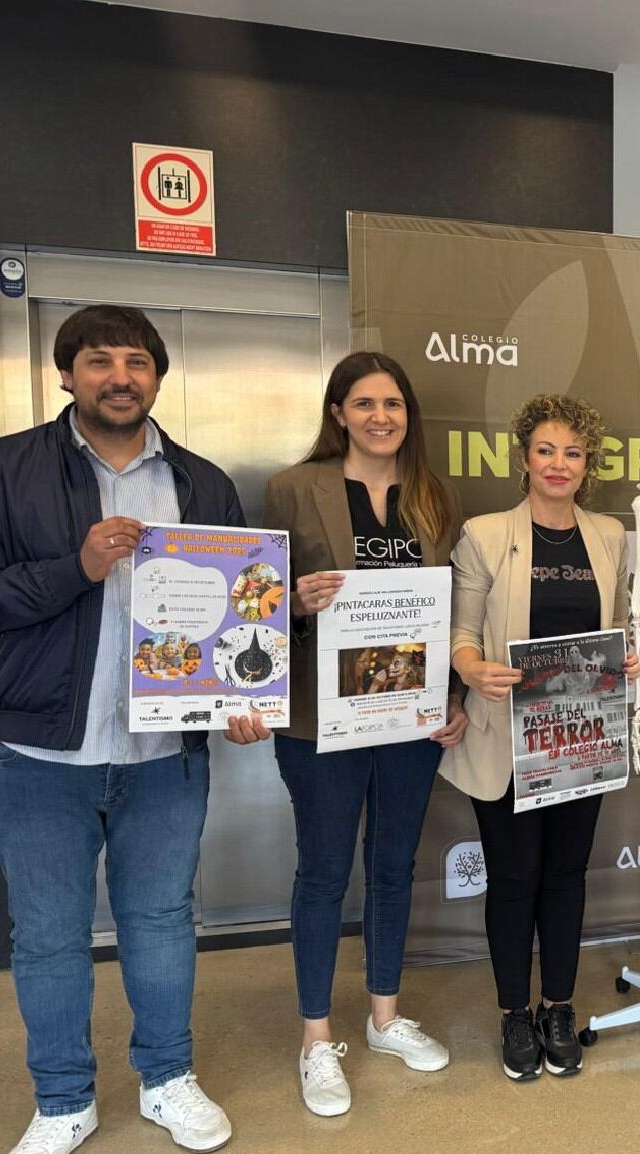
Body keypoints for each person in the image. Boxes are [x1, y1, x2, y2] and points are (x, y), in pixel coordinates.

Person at [0, 305, 271, 1154]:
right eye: (100, 361)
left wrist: (241, 702)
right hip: (36, 757)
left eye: (137, 362)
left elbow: (242, 610)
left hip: (164, 757)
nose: (120, 377)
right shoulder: (2, 468)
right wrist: (76, 567)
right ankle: (62, 1103)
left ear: (158, 380)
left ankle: (168, 1079)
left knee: (164, 923)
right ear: (67, 375)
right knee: (50, 939)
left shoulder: (205, 485)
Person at [262, 352, 468, 1115]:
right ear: (338, 412)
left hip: (409, 717)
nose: (381, 417)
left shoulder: (430, 498)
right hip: (322, 720)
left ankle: (384, 1016)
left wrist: (451, 695)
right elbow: (252, 603)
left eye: (394, 404)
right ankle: (317, 1040)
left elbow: (445, 610)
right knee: (321, 871)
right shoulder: (293, 488)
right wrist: (294, 601)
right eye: (365, 403)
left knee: (393, 864)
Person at [438, 394, 639, 1081]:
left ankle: (557, 1006)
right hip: (505, 738)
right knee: (516, 877)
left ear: (588, 466)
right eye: (547, 451)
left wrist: (629, 657)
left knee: (566, 876)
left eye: (573, 453)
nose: (559, 464)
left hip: (581, 737)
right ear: (524, 458)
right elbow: (460, 634)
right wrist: (471, 668)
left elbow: (619, 626)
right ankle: (512, 1014)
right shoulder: (486, 534)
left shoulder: (610, 537)